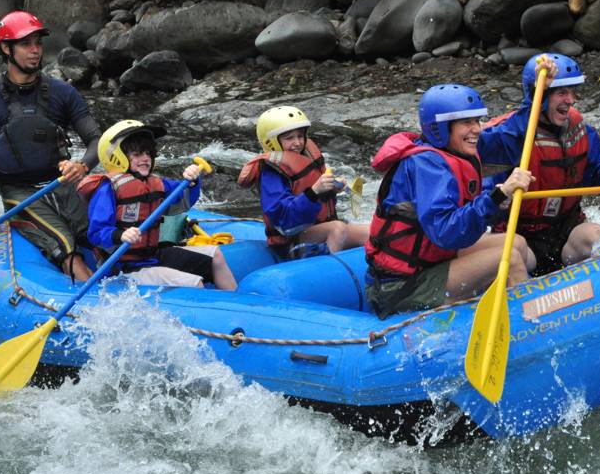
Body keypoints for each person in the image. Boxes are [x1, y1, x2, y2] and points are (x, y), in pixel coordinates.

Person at [365, 83, 536, 319]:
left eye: (477, 121)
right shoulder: (426, 165)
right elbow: (446, 232)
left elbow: (511, 136)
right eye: (466, 122)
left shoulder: (454, 149)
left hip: (431, 261)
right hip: (402, 285)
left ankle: (497, 308)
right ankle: (532, 327)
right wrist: (495, 197)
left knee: (516, 243)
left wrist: (537, 92)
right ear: (440, 129)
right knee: (508, 259)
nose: (476, 129)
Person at [479, 53, 600, 275]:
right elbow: (479, 167)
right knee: (512, 253)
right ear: (542, 95)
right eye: (562, 92)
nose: (571, 100)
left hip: (567, 231)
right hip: (522, 238)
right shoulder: (509, 134)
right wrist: (535, 95)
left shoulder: (581, 130)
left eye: (573, 92)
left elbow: (595, 169)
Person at [0, 11, 101, 280]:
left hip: (62, 183)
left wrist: (83, 164)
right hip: (19, 193)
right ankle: (96, 304)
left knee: (102, 233)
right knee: (65, 244)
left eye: (38, 43)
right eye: (26, 44)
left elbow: (96, 139)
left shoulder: (62, 92)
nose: (35, 51)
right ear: (6, 48)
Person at [78, 120, 237, 290]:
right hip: (126, 268)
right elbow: (96, 233)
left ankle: (236, 304)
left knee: (216, 256)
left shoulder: (156, 183)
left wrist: (192, 182)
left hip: (154, 256)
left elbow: (183, 199)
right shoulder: (107, 188)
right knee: (194, 282)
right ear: (116, 157)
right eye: (138, 154)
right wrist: (120, 235)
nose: (146, 158)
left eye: (148, 152)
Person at [237, 105, 369, 260]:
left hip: (317, 230)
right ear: (271, 141)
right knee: (337, 228)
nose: (298, 142)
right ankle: (326, 275)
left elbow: (314, 195)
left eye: (300, 136)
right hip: (290, 241)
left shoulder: (306, 156)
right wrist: (313, 192)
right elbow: (284, 221)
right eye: (289, 138)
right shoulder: (272, 172)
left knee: (372, 232)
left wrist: (331, 188)